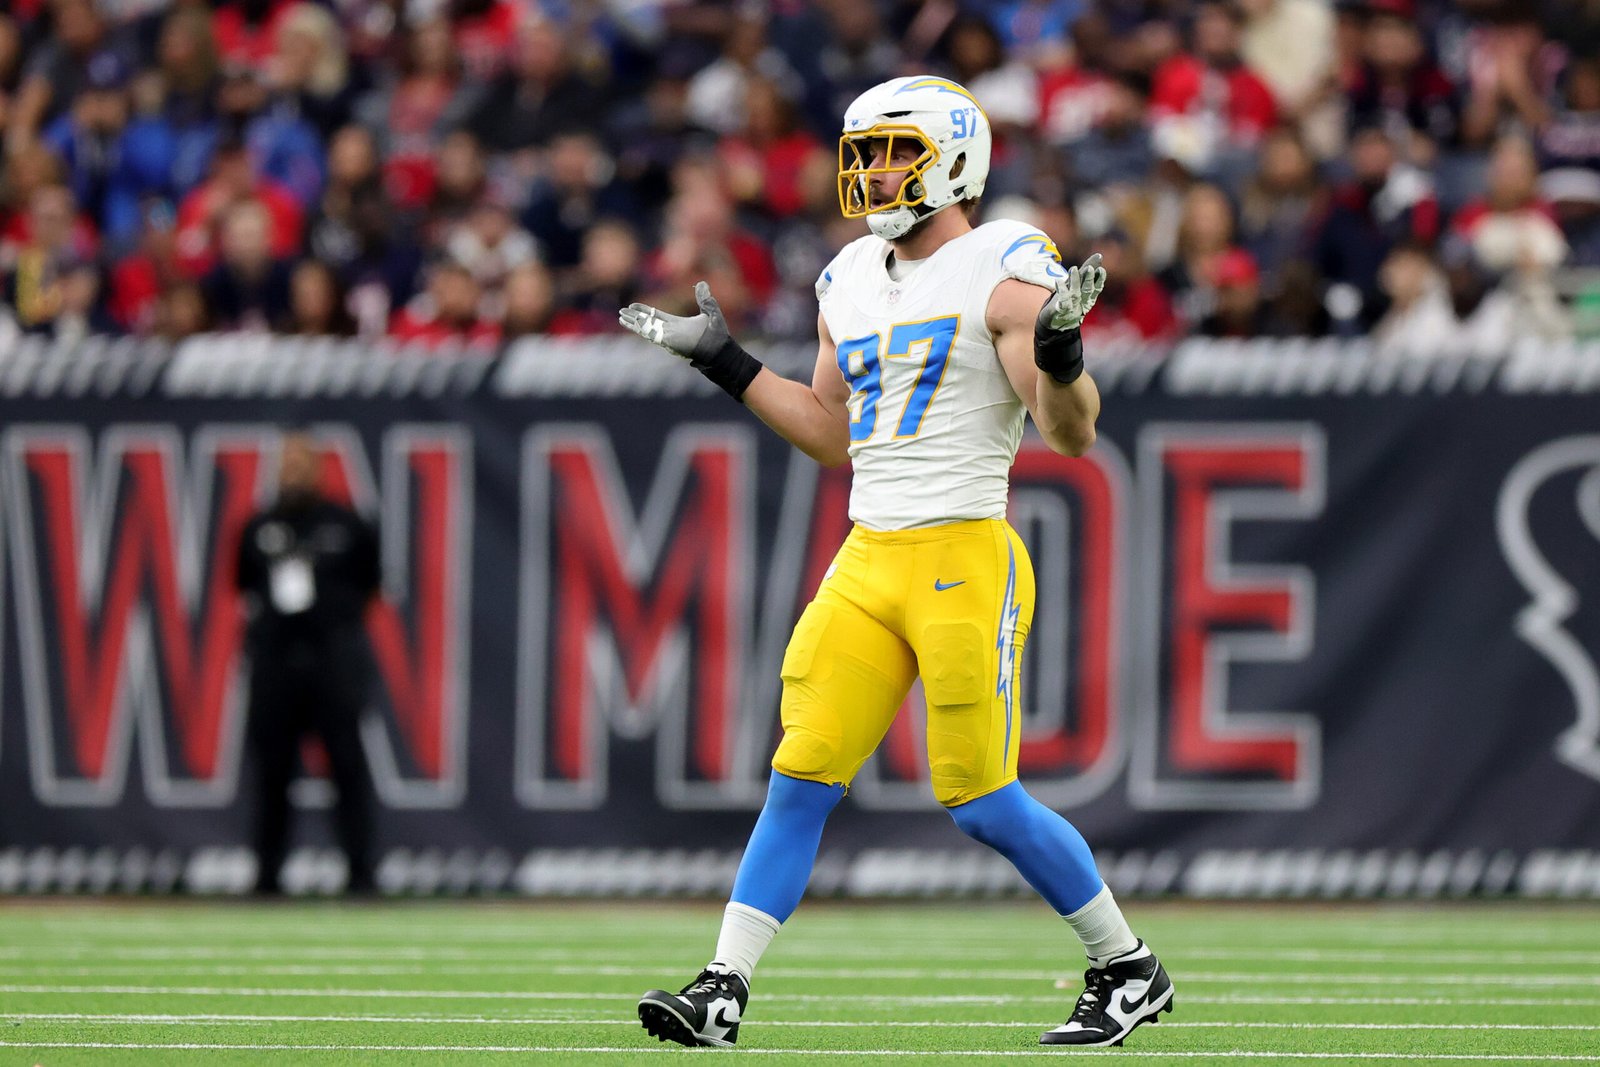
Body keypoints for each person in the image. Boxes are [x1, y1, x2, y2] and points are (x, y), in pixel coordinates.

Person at [620, 75, 1172, 1050]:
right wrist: (728, 362)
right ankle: (721, 986)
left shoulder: (1000, 259)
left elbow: (1068, 433)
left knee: (978, 797)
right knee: (800, 771)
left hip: (964, 548)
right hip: (867, 554)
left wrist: (1061, 356)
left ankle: (1126, 963)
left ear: (953, 157)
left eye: (894, 151)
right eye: (864, 152)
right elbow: (833, 432)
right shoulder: (849, 277)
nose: (873, 170)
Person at [235, 431, 382, 895]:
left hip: (332, 664)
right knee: (272, 772)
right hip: (276, 664)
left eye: (302, 461)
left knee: (347, 769)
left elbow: (370, 585)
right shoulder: (258, 527)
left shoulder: (346, 525)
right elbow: (241, 585)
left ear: (319, 467)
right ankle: (267, 877)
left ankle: (361, 876)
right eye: (287, 461)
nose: (294, 470)